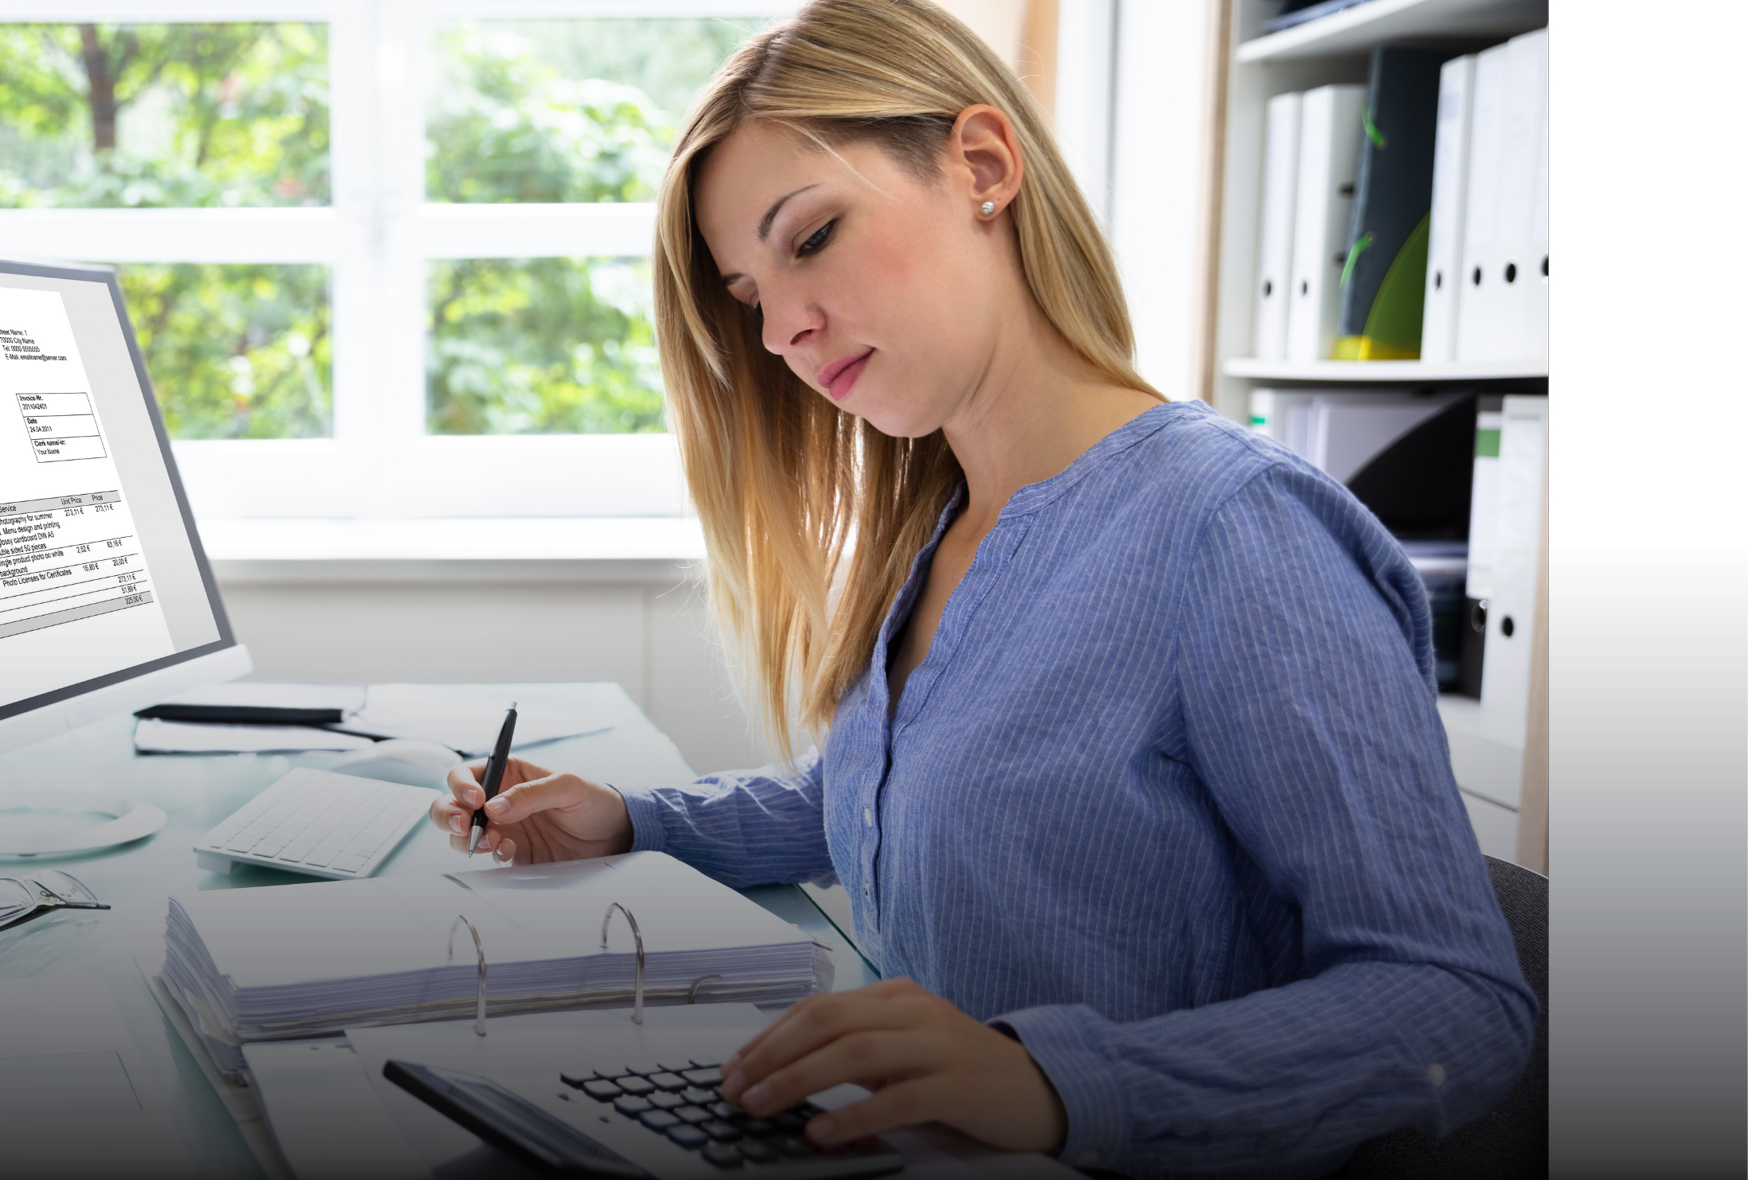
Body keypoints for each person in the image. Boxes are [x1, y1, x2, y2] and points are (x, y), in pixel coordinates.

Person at [426, 2, 1536, 1175]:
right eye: (749, 297)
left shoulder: (1232, 530)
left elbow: (1455, 1001)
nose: (786, 332)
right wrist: (639, 819)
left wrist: (1056, 1079)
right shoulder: (942, 522)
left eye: (809, 238)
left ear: (983, 168)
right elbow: (902, 799)